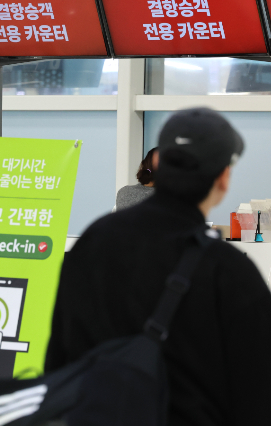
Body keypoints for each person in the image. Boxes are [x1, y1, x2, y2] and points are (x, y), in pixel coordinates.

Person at [45, 108, 271, 425]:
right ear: (224, 177)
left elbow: (60, 357)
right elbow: (256, 392)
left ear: (159, 165)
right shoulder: (230, 271)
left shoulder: (94, 243)